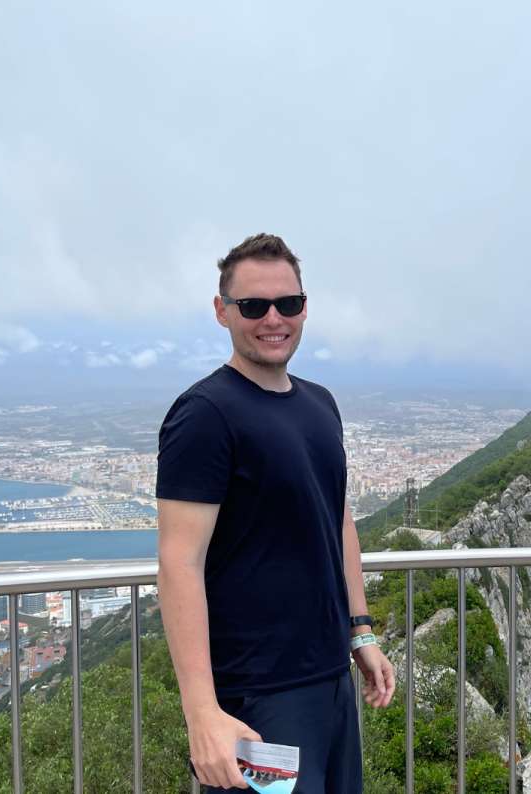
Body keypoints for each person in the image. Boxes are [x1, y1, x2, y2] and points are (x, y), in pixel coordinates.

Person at [156, 233, 396, 792]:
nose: (273, 318)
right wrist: (202, 715)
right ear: (222, 312)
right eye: (253, 306)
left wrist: (361, 634)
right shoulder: (205, 414)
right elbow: (178, 563)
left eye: (287, 304)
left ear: (304, 308)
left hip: (330, 680)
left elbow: (337, 521)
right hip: (257, 697)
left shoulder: (320, 403)